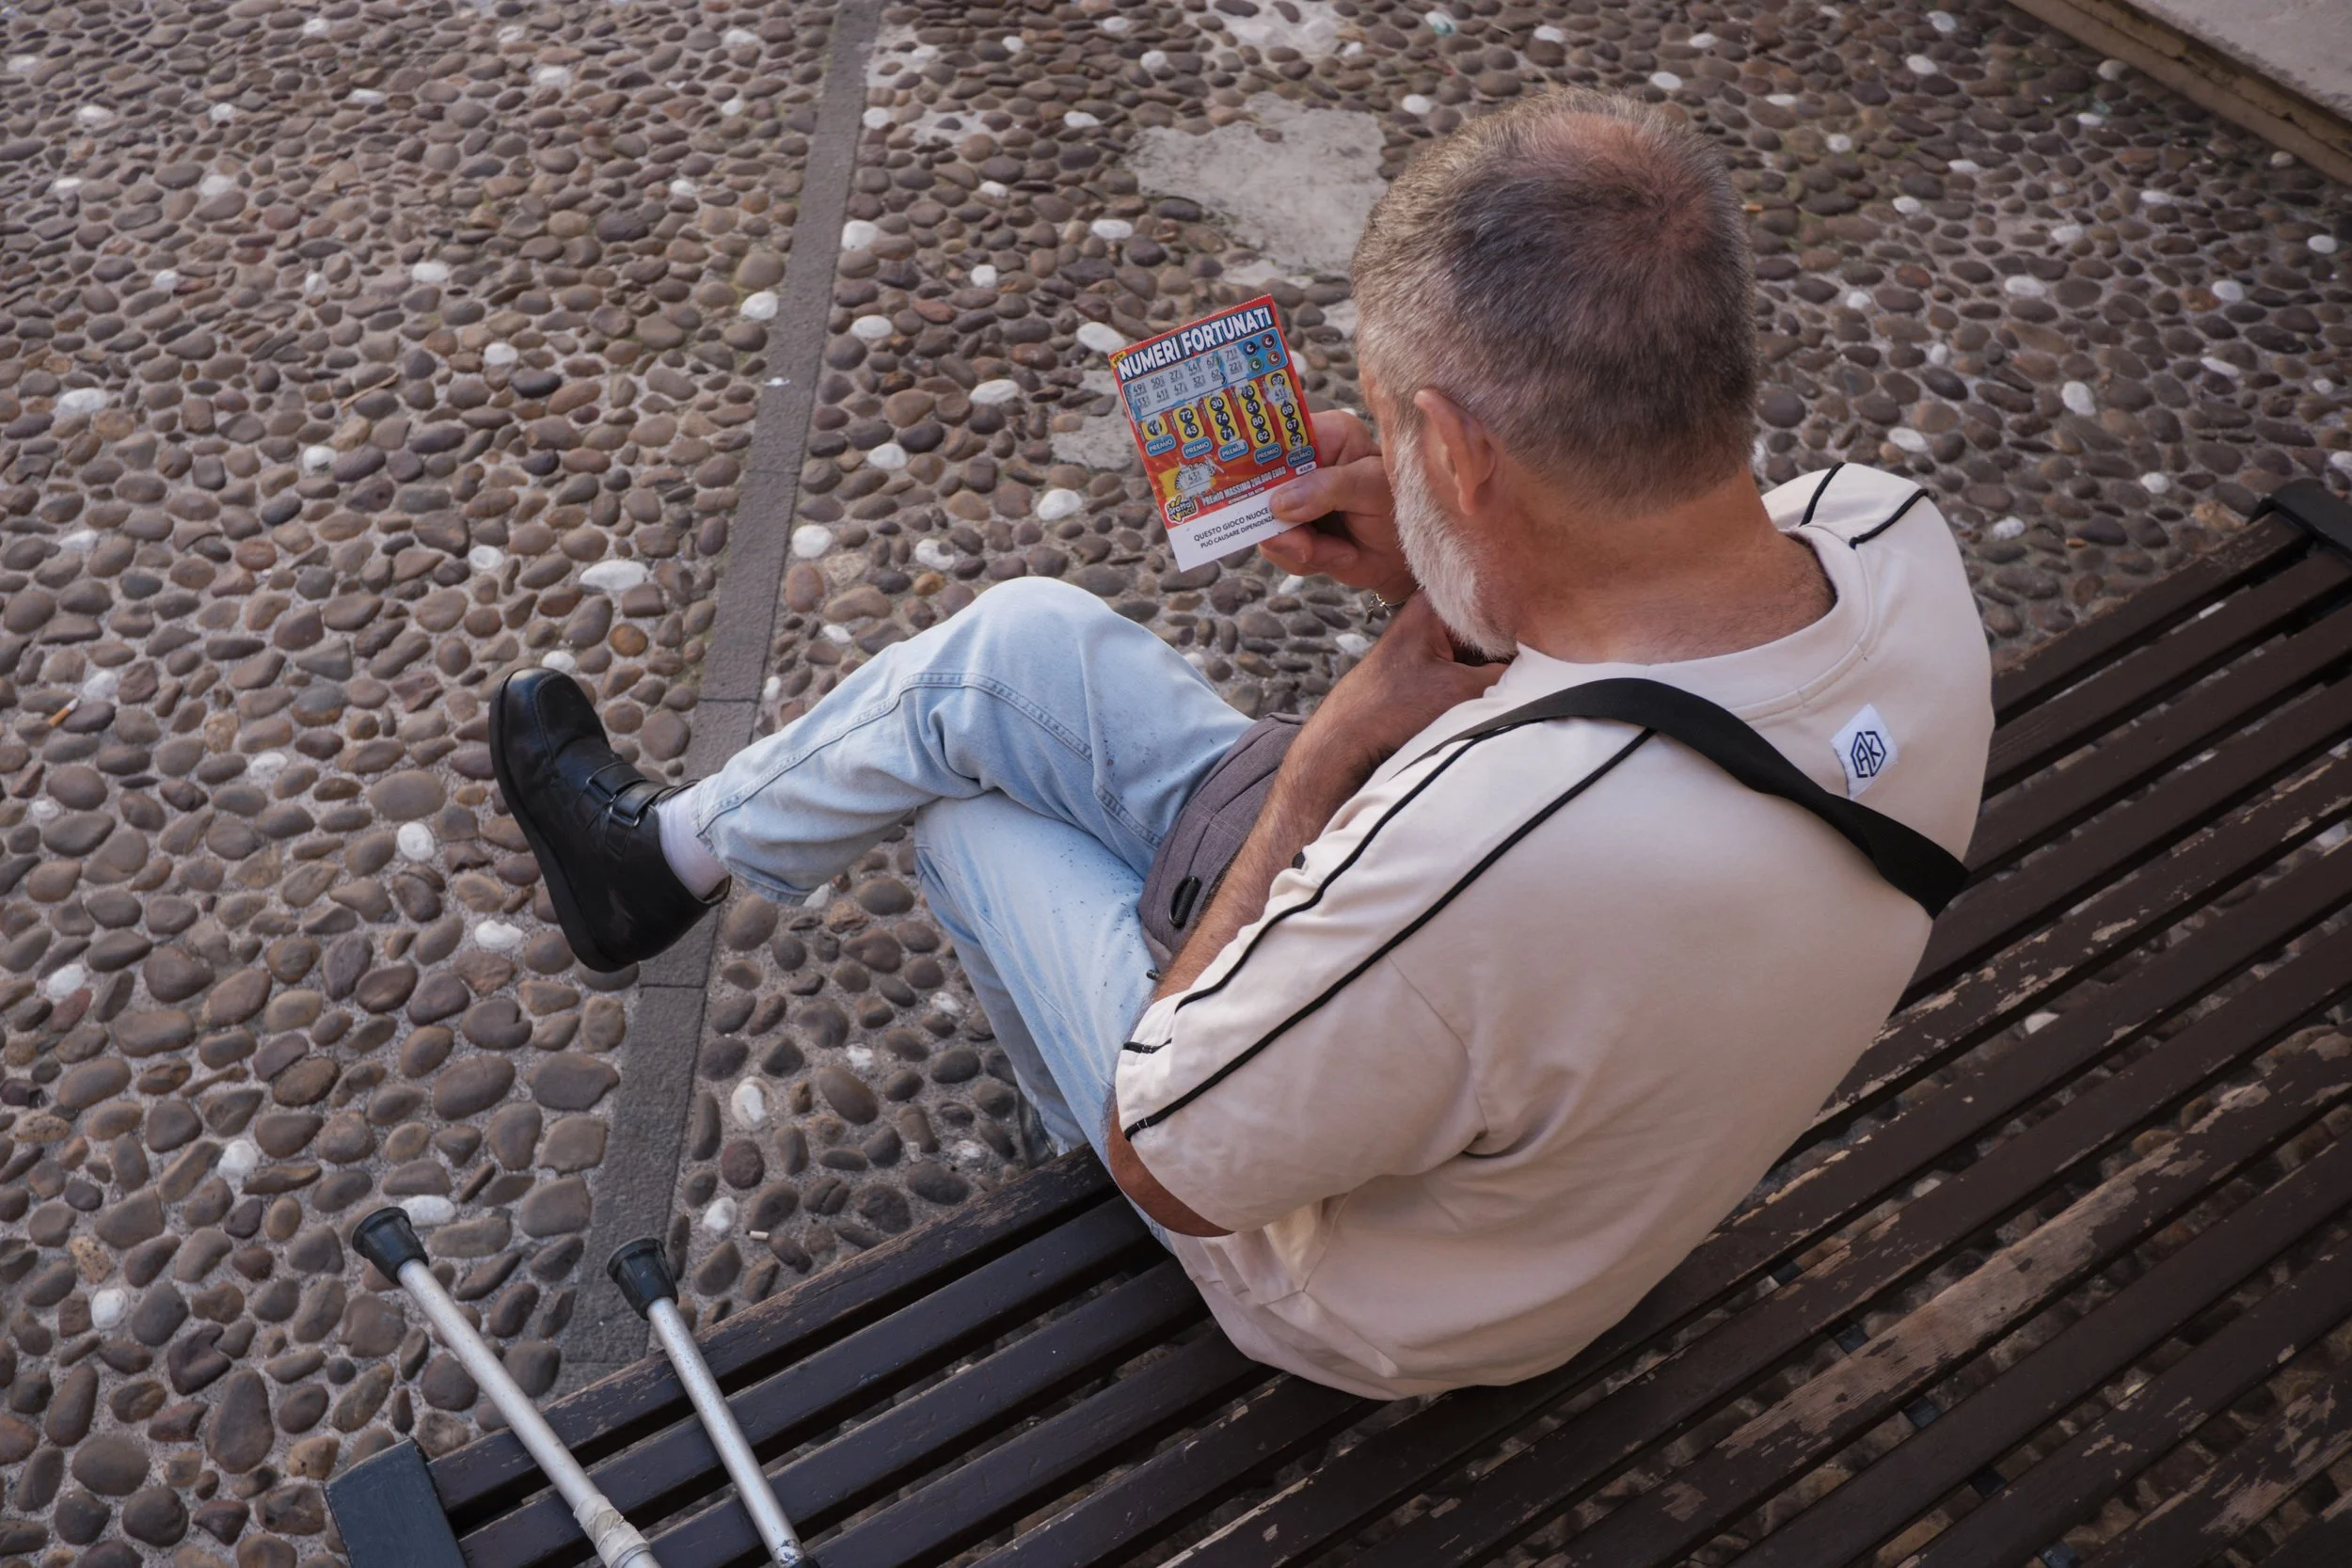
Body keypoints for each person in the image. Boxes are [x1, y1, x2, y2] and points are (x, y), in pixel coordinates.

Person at [492, 88, 1994, 1400]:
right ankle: (665, 860)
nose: (1392, 454)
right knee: (1019, 649)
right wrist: (1433, 557)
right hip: (1576, 1040)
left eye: (1407, 434)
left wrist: (1338, 739)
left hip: (1372, 1289)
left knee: (970, 823)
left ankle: (1050, 1156)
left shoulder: (1484, 849)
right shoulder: (1886, 534)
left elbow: (1176, 1149)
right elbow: (1649, 636)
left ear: (1464, 453)